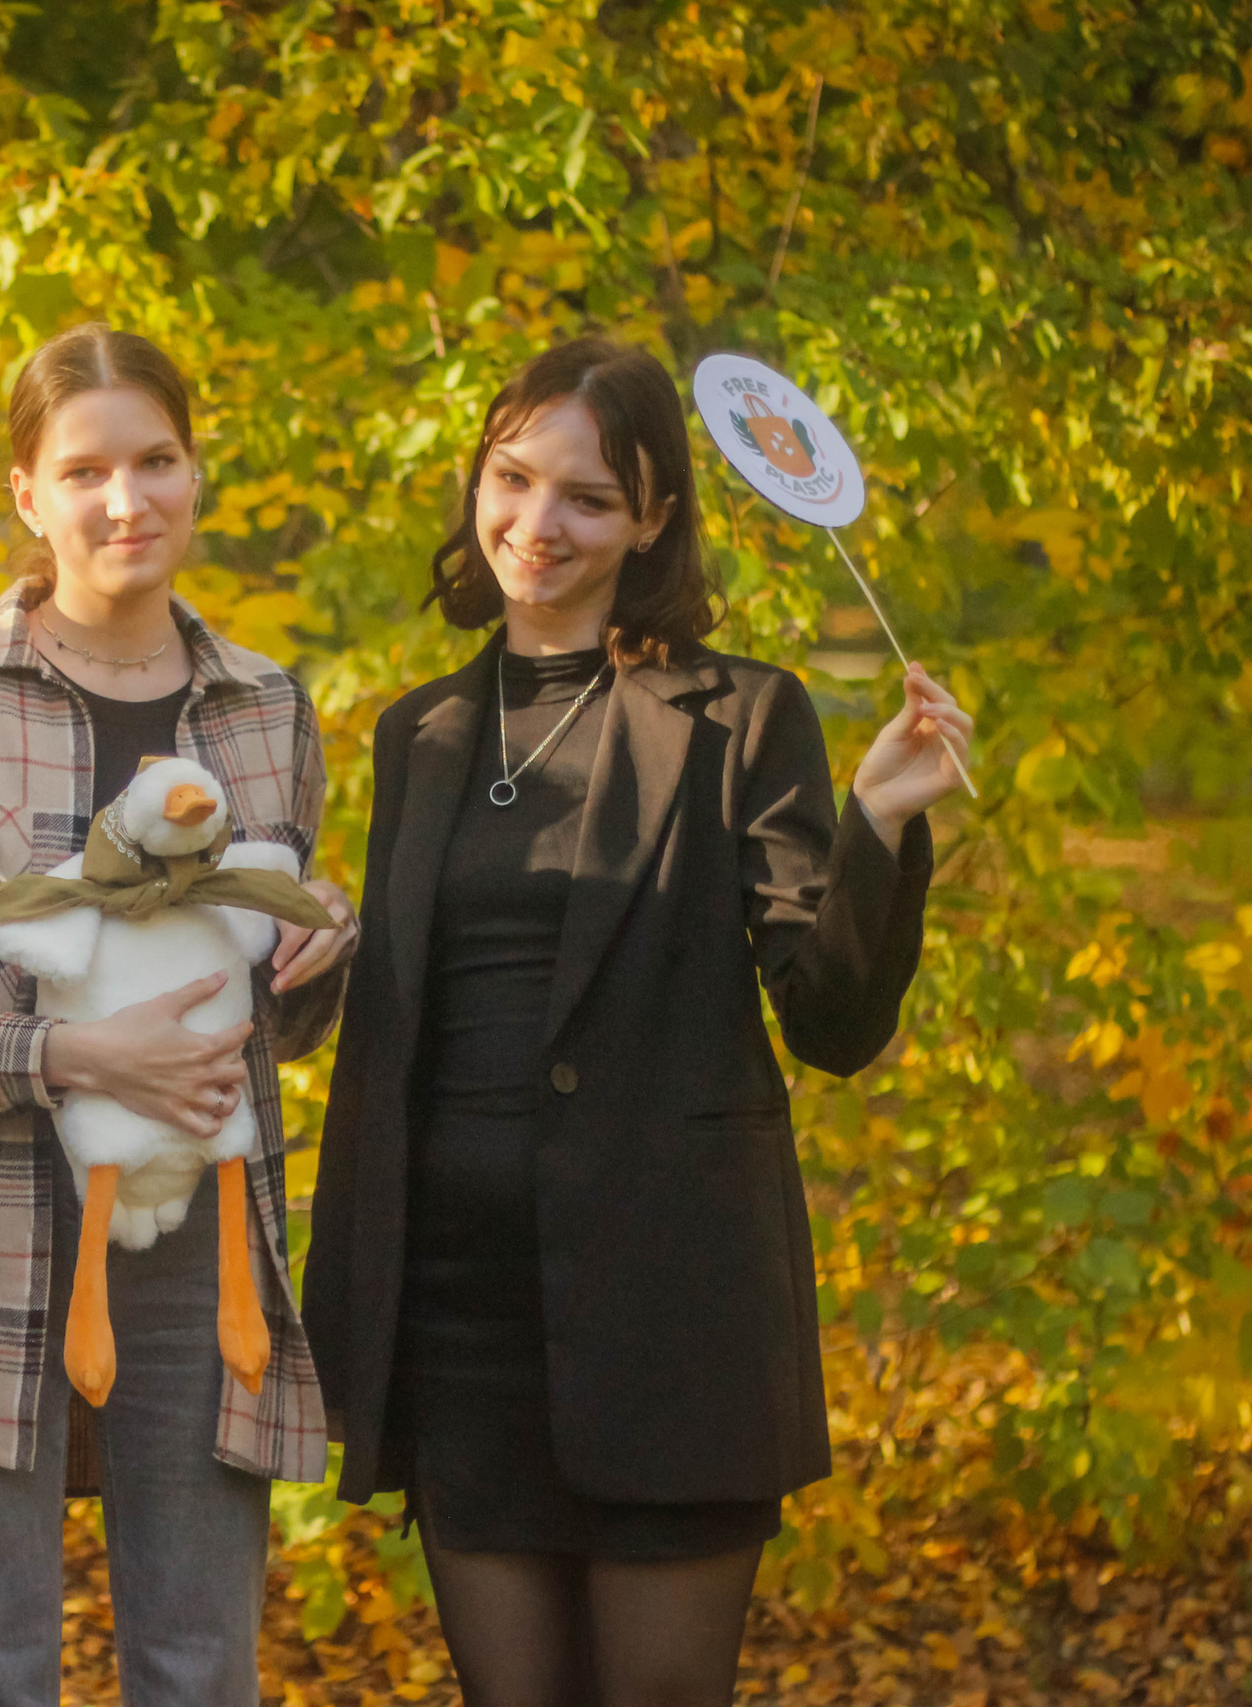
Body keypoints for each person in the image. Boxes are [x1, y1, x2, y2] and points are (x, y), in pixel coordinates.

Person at [300, 339, 974, 1707]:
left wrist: (882, 820)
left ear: (655, 519)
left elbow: (830, 1018)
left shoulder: (741, 715)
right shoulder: (415, 730)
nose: (536, 526)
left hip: (669, 1313)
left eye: (590, 499)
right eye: (513, 478)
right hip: (456, 1314)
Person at [0, 322, 359, 1706]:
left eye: (157, 459)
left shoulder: (265, 710)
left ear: (197, 471)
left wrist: (320, 961)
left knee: (198, 1661)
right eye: (85, 469)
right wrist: (60, 1052)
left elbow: (259, 1017)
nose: (128, 499)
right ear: (26, 493)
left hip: (198, 1246)